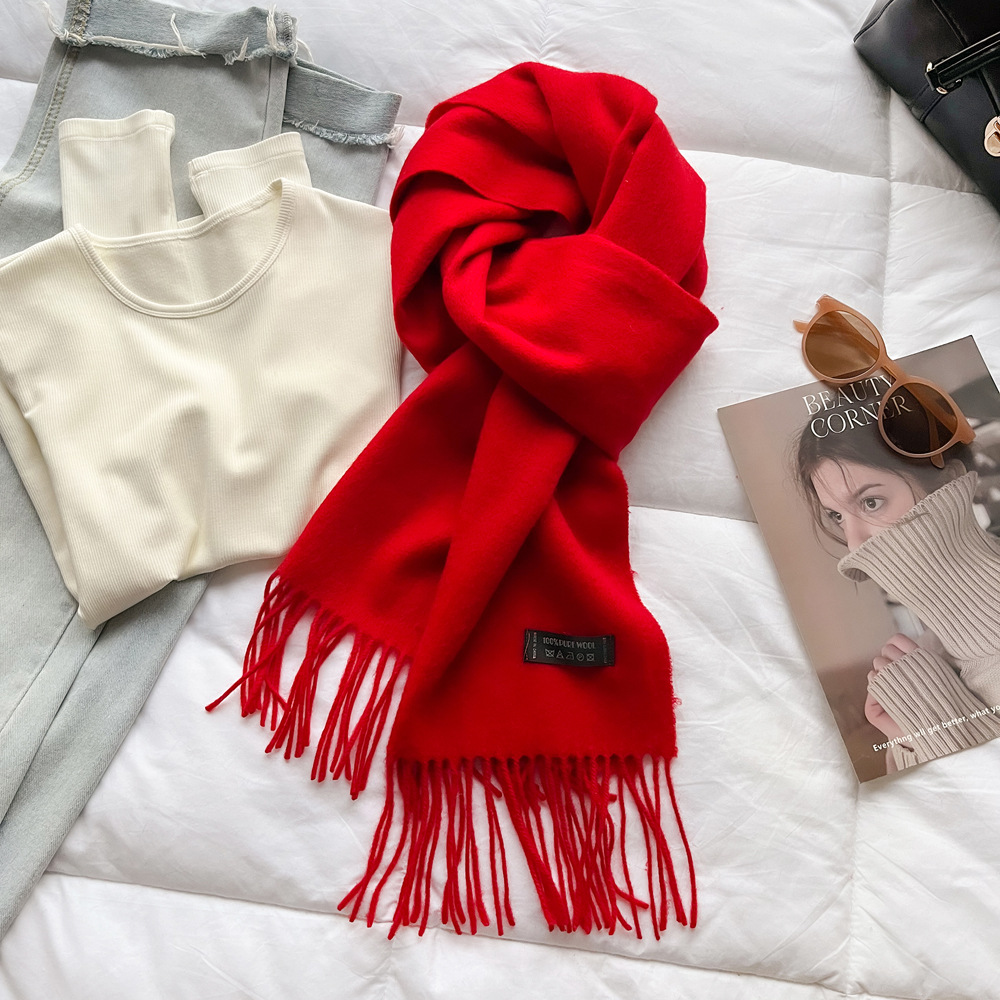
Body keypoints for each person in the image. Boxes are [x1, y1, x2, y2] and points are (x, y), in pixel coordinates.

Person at [794, 422, 1000, 773]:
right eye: (837, 517)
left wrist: (942, 734)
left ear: (949, 479)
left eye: (871, 502)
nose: (854, 543)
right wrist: (908, 740)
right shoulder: (923, 663)